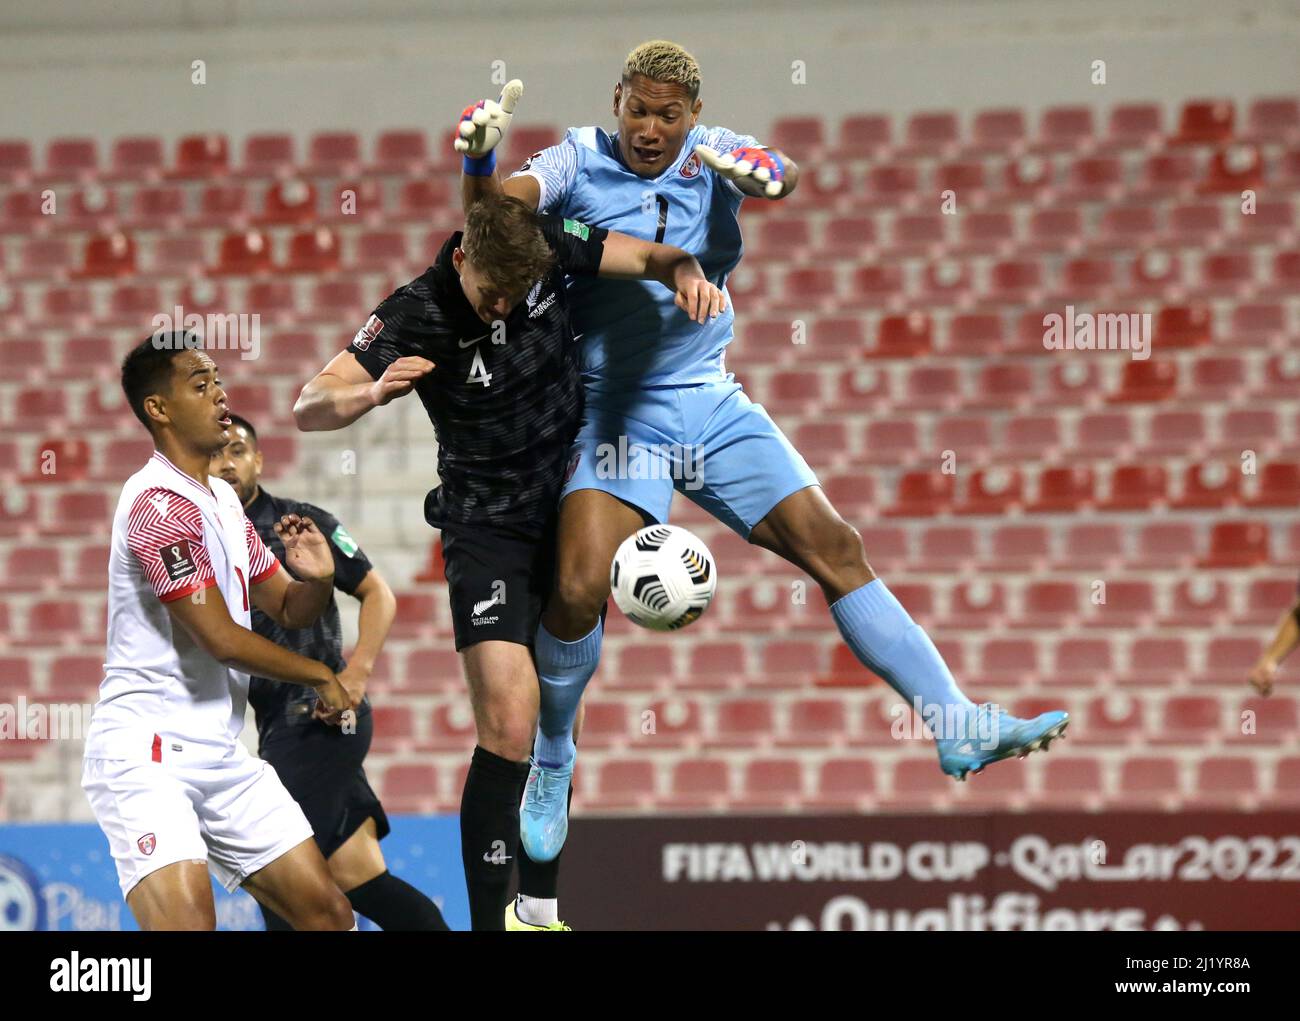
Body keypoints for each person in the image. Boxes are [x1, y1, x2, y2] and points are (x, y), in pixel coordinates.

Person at [456, 39, 1070, 864]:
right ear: (617, 101)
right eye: (637, 108)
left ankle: (954, 720)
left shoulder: (716, 156)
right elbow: (497, 223)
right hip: (610, 412)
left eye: (668, 115)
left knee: (837, 547)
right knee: (573, 587)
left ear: (692, 116)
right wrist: (483, 157)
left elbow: (776, 175)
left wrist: (748, 172)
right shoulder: (576, 158)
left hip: (707, 399)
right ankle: (556, 757)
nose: (648, 127)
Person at [294, 193, 724, 929]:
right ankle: (491, 923)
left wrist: (684, 269)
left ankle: (541, 908)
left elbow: (651, 254)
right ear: (460, 255)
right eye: (492, 288)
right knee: (508, 718)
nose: (503, 304)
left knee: (559, 717)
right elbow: (310, 402)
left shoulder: (549, 244)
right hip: (485, 524)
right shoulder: (412, 312)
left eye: (517, 292)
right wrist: (367, 393)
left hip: (572, 499)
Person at [82, 333, 357, 931]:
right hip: (146, 751)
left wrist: (319, 579)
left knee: (329, 916)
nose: (220, 395)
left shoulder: (224, 503)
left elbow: (287, 608)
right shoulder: (158, 504)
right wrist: (319, 675)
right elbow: (220, 638)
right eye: (200, 385)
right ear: (158, 409)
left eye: (218, 381)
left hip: (221, 753)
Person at [211, 414, 449, 931]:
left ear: (259, 460)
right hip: (277, 725)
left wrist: (357, 673)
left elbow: (377, 593)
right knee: (363, 881)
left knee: (281, 880)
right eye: (215, 453)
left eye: (237, 451)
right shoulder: (204, 536)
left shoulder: (301, 523)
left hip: (320, 718)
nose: (225, 463)